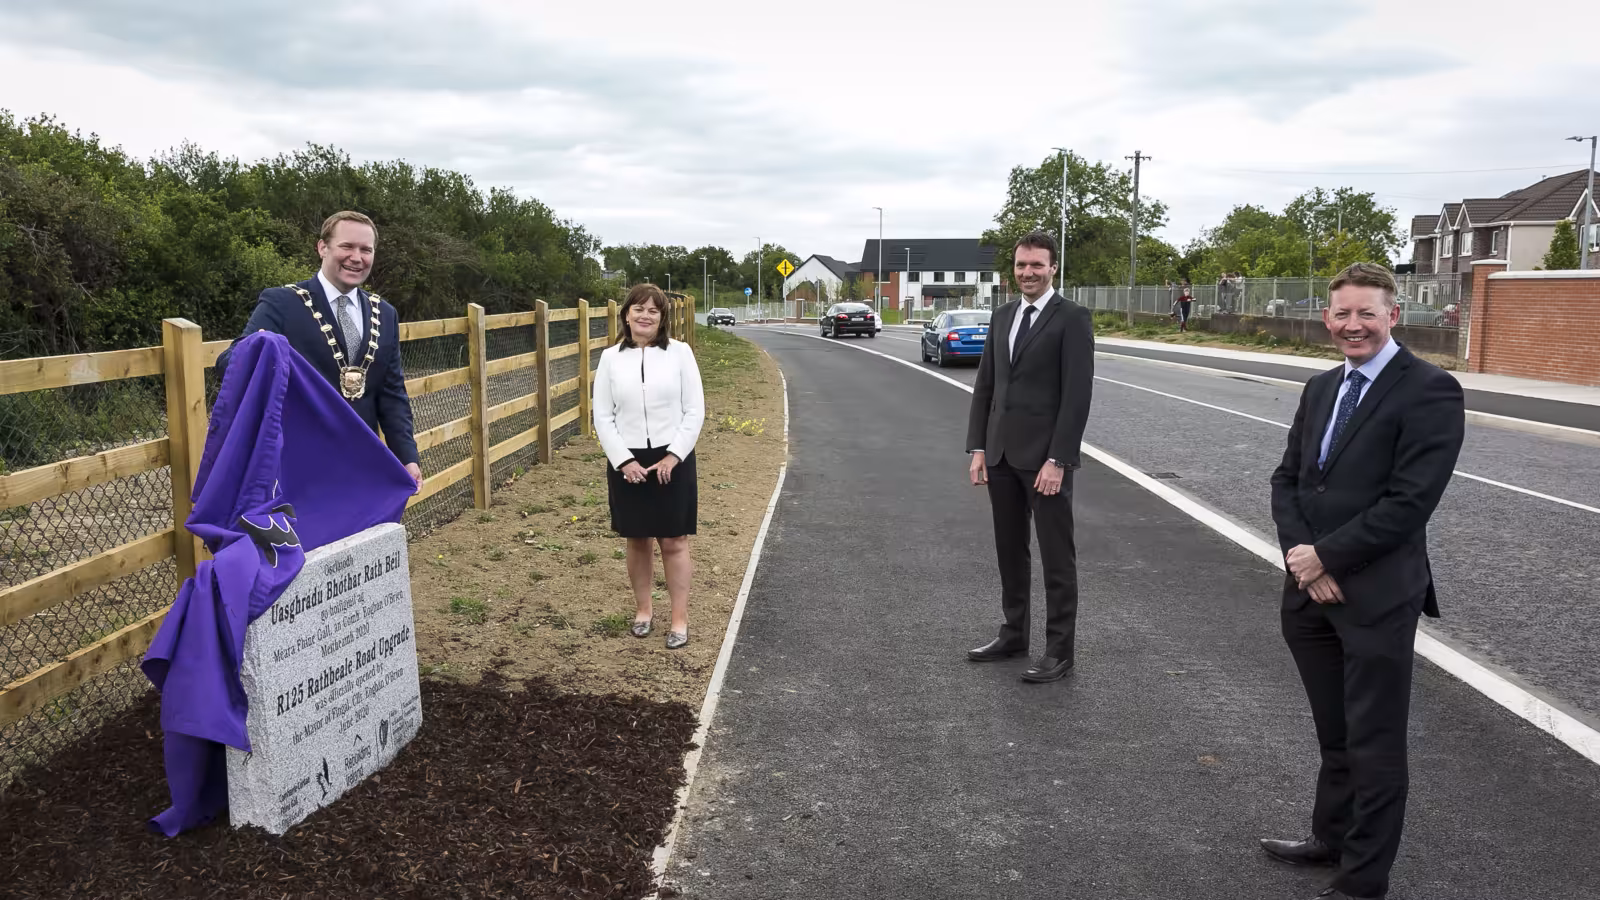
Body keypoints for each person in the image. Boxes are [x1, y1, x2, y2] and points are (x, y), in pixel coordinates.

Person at [1265, 263, 1465, 900]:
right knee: (1335, 733)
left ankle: (1364, 879)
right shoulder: (1320, 387)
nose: (1353, 326)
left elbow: (1409, 504)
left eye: (1366, 314)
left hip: (1376, 597)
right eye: (1342, 314)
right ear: (1327, 318)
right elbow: (1289, 480)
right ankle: (1332, 836)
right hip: (1310, 593)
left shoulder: (1430, 390)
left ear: (1393, 315)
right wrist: (1304, 557)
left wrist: (1326, 558)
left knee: (1375, 741)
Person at [964, 231, 1094, 683]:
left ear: (1054, 267)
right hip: (1000, 455)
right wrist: (978, 448)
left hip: (1045, 463)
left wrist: (1059, 459)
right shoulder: (1002, 316)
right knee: (1009, 551)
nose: (1028, 273)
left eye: (1037, 265)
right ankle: (1013, 634)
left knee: (1057, 557)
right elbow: (986, 385)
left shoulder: (1072, 318)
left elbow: (1077, 397)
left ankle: (1059, 650)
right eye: (1022, 265)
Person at [218, 211, 422, 489]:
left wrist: (407, 457)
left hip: (361, 466)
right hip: (298, 467)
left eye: (366, 250)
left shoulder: (385, 313)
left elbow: (391, 393)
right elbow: (227, 365)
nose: (357, 257)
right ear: (322, 247)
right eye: (347, 246)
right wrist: (256, 349)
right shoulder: (282, 303)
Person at [592, 284, 705, 650]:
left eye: (653, 311)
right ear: (626, 314)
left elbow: (694, 410)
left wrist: (674, 455)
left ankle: (679, 619)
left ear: (662, 318)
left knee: (673, 540)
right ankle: (643, 612)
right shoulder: (610, 358)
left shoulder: (680, 354)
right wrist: (623, 460)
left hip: (673, 458)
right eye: (638, 309)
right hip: (628, 460)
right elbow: (603, 416)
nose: (645, 316)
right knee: (637, 539)